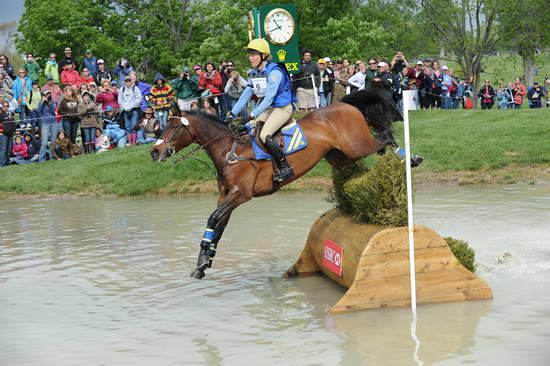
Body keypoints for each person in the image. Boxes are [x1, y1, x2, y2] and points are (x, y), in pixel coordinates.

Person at [228, 38, 297, 182]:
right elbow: (245, 96)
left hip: (282, 108)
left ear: (263, 56)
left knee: (265, 134)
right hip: (269, 109)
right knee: (247, 128)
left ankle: (285, 167)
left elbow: (268, 100)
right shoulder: (253, 73)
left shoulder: (274, 72)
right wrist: (231, 113)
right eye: (250, 54)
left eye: (253, 54)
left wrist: (252, 114)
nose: (250, 58)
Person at [117, 76, 142, 145]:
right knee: (127, 126)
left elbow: (139, 99)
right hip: (125, 111)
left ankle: (134, 142)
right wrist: (124, 108)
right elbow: (120, 100)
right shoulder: (122, 89)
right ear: (124, 82)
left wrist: (133, 106)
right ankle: (130, 142)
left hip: (134, 110)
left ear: (131, 81)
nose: (128, 82)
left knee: (134, 126)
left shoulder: (135, 88)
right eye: (126, 81)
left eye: (129, 81)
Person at [37, 90, 58, 162]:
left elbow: (53, 111)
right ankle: (41, 159)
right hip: (45, 123)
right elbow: (38, 110)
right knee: (44, 142)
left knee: (53, 141)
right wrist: (43, 102)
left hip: (54, 122)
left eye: (48, 94)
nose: (47, 95)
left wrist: (50, 103)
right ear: (43, 95)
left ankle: (52, 157)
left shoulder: (54, 102)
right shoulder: (41, 103)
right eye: (46, 94)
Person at [0, 100, 16, 167]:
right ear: (2, 106)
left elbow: (13, 122)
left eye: (7, 106)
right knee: (3, 149)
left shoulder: (11, 113)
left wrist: (14, 130)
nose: (6, 107)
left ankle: (7, 162)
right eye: (4, 106)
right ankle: (1, 164)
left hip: (10, 133)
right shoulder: (0, 114)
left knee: (9, 148)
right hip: (3, 134)